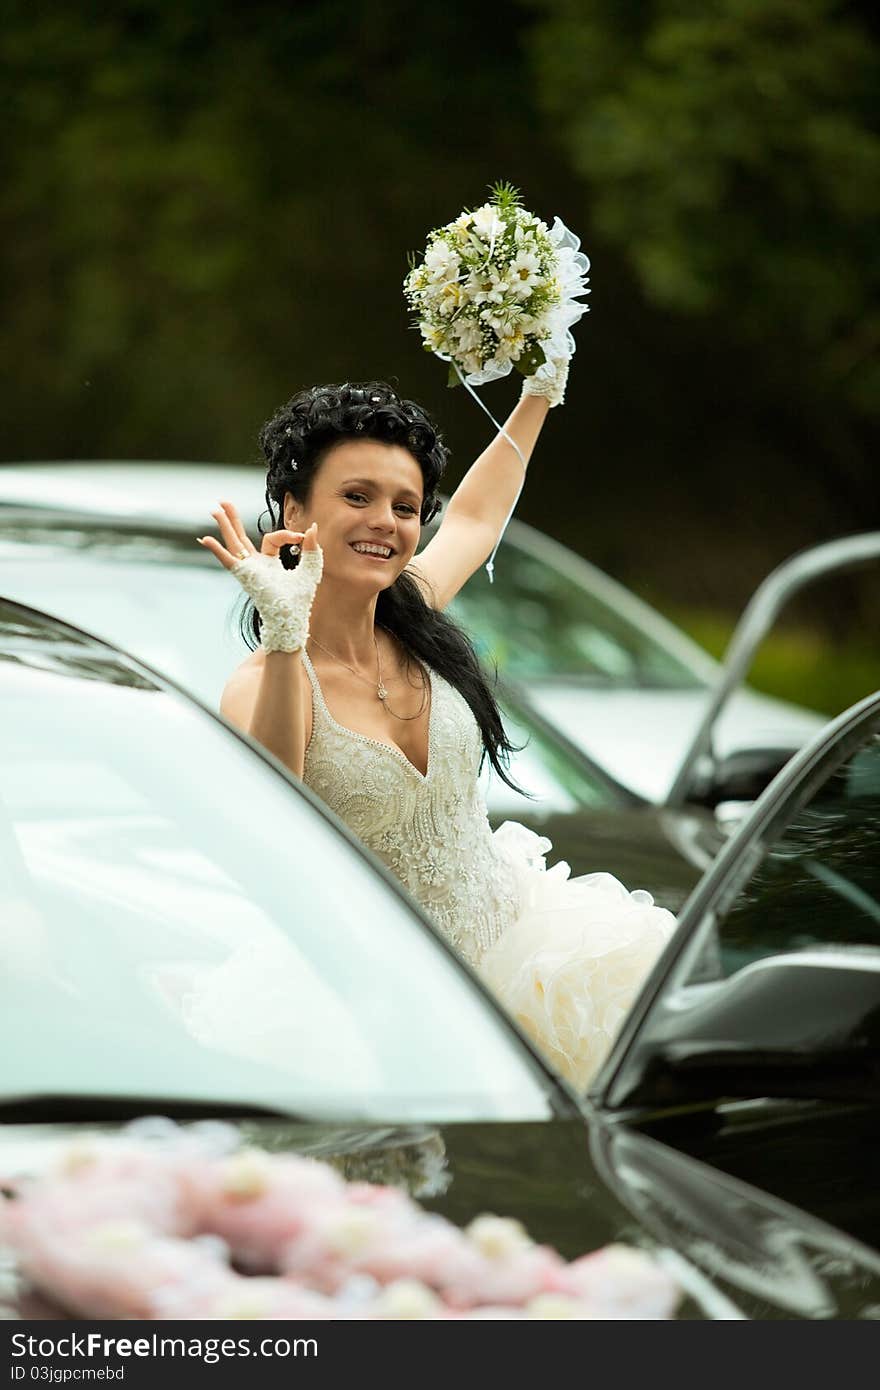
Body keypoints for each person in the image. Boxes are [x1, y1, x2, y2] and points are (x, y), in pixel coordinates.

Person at [198, 371, 675, 1091]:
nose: (385, 521)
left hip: (526, 957)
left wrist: (540, 388)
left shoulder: (417, 611)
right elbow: (274, 825)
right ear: (296, 508)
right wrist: (289, 634)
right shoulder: (261, 680)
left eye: (406, 506)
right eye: (356, 497)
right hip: (378, 1002)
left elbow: (480, 518)